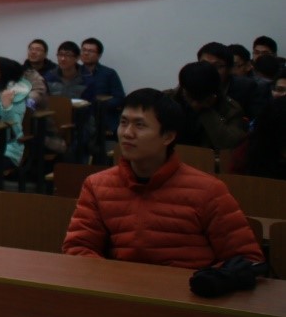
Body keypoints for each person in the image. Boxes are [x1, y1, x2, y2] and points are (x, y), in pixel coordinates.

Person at [62, 88, 263, 269]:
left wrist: (208, 282)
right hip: (121, 290)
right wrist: (114, 279)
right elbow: (78, 247)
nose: (127, 133)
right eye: (123, 123)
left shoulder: (208, 190)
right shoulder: (97, 185)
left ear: (168, 136)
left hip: (189, 293)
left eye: (140, 125)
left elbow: (247, 258)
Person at [171, 60, 247, 150]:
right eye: (190, 96)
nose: (194, 103)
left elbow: (229, 144)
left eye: (199, 98)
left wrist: (206, 110)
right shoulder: (169, 99)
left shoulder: (230, 109)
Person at [199, 41, 269, 121]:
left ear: (230, 69)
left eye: (217, 66)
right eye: (204, 64)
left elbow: (257, 121)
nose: (209, 70)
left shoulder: (249, 88)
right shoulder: (191, 85)